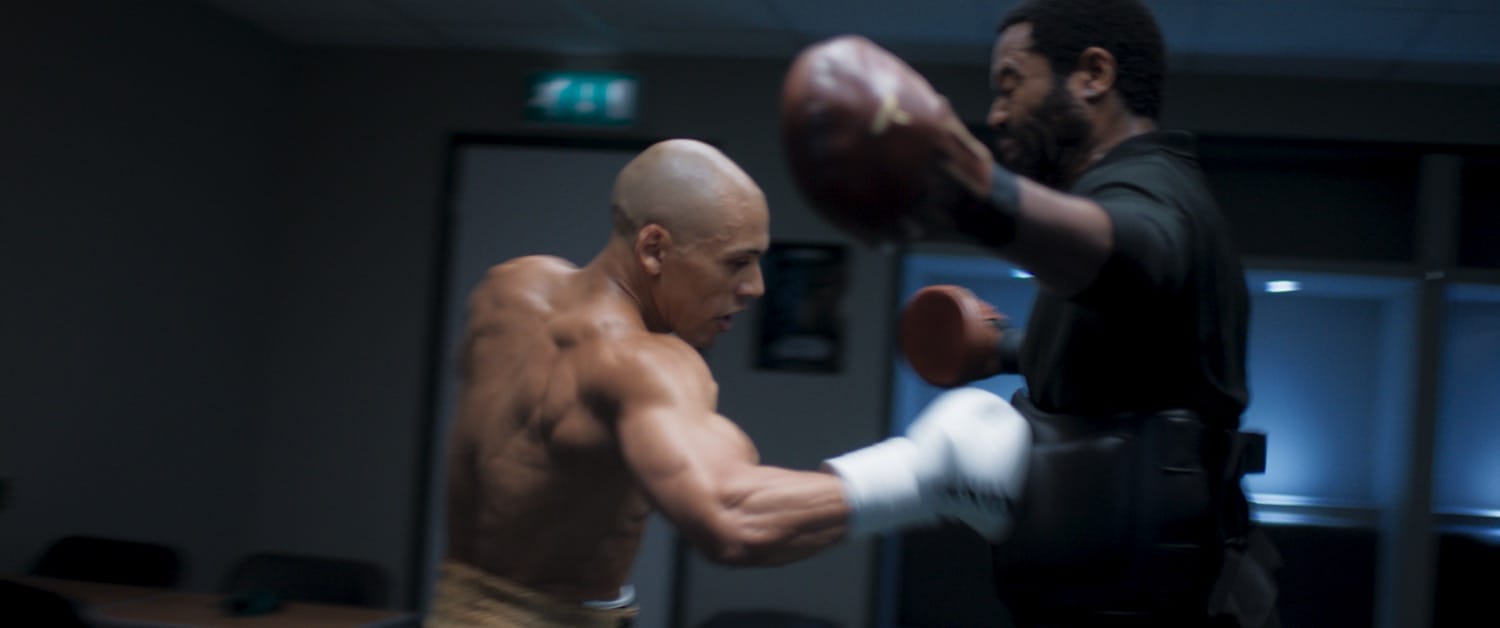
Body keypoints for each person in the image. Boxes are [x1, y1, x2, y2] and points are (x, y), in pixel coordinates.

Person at [781, 1, 1280, 626]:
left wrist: (964, 186)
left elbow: (1139, 256)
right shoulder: (1132, 191)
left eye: (1011, 84)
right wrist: (1005, 349)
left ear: (1093, 75)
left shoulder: (1152, 190)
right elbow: (1134, 348)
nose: (994, 113)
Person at [427, 138, 1035, 627]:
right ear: (655, 248)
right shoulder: (647, 364)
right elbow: (731, 519)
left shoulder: (509, 289)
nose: (756, 288)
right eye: (736, 262)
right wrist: (924, 475)